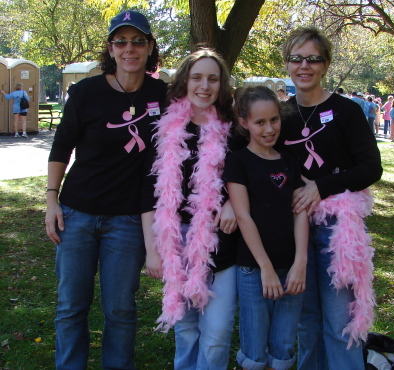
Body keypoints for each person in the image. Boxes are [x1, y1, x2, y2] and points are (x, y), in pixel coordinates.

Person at [45, 10, 166, 369]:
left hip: (128, 220)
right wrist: (51, 199)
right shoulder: (86, 92)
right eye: (121, 41)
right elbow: (61, 148)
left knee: (120, 309)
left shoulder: (164, 95)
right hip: (76, 214)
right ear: (111, 49)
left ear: (149, 47)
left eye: (138, 41)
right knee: (71, 306)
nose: (129, 48)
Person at [279, 26, 383, 370]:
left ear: (325, 65)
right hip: (294, 227)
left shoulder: (347, 111)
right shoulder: (281, 114)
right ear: (287, 64)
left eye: (313, 59)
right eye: (296, 58)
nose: (304, 66)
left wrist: (320, 187)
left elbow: (371, 168)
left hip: (337, 230)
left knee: (339, 323)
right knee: (306, 321)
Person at [142, 48, 238, 370]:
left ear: (221, 85)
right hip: (175, 239)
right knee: (185, 328)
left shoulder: (233, 129)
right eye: (197, 77)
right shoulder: (165, 128)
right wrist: (152, 250)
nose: (204, 85)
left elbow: (252, 175)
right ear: (185, 81)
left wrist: (230, 203)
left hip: (220, 239)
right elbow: (147, 192)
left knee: (217, 332)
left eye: (213, 78)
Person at [224, 86, 308, 370]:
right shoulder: (238, 162)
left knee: (284, 348)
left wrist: (300, 263)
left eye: (274, 119)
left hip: (291, 269)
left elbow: (300, 213)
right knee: (255, 350)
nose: (269, 128)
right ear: (244, 122)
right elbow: (243, 217)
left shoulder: (289, 160)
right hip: (254, 270)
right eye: (260, 122)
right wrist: (266, 269)